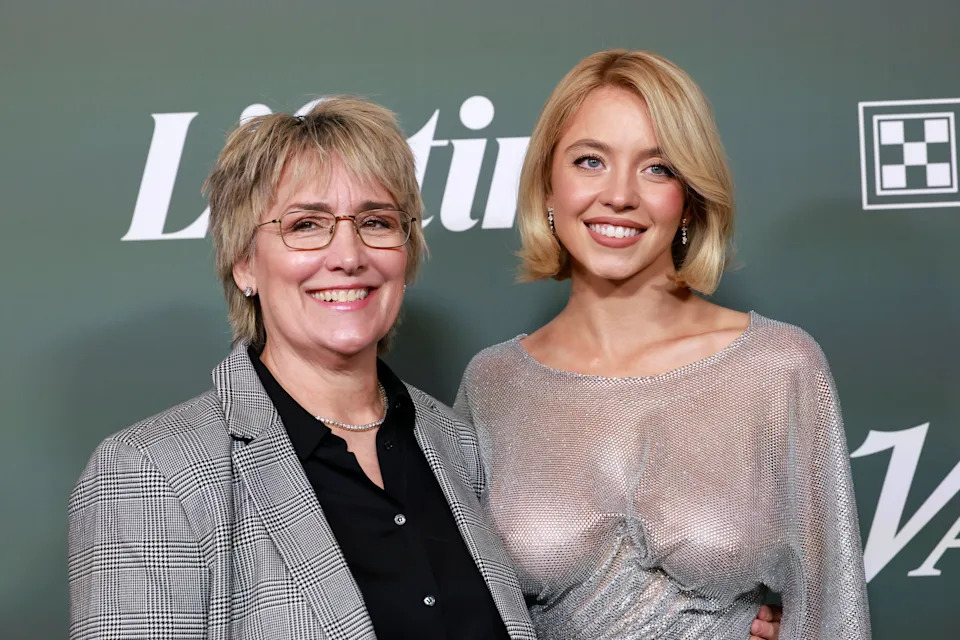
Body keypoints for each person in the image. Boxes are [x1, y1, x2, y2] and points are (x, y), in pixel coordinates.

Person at [68, 97, 535, 640]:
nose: (348, 254)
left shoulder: (459, 445)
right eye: (307, 224)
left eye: (375, 222)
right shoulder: (150, 474)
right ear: (244, 263)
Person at [456, 50, 870, 639]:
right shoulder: (493, 383)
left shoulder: (778, 367)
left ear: (689, 199)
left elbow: (834, 612)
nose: (619, 195)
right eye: (590, 160)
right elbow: (464, 606)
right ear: (548, 185)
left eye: (657, 168)